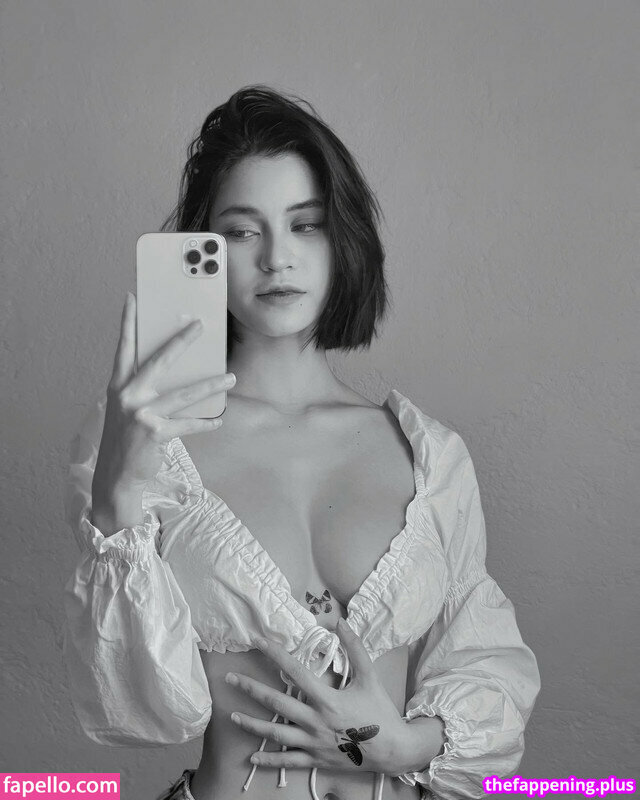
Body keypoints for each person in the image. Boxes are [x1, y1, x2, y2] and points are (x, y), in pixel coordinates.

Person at [62, 85, 541, 800]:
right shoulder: (148, 441)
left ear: (342, 238)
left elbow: (482, 660)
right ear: (203, 250)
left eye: (306, 224)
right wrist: (119, 491)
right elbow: (137, 713)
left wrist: (402, 745)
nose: (276, 258)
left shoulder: (429, 458)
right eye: (241, 231)